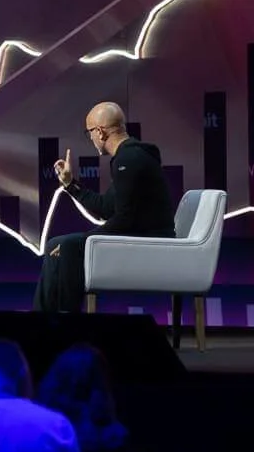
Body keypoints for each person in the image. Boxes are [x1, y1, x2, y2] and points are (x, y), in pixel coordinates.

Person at [36, 102, 173, 315]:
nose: (90, 138)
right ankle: (45, 321)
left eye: (89, 132)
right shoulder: (127, 157)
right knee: (57, 244)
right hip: (140, 234)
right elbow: (106, 208)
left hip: (150, 239)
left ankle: (64, 322)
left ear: (100, 132)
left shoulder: (129, 159)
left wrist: (89, 239)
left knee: (69, 246)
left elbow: (124, 218)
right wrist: (70, 184)